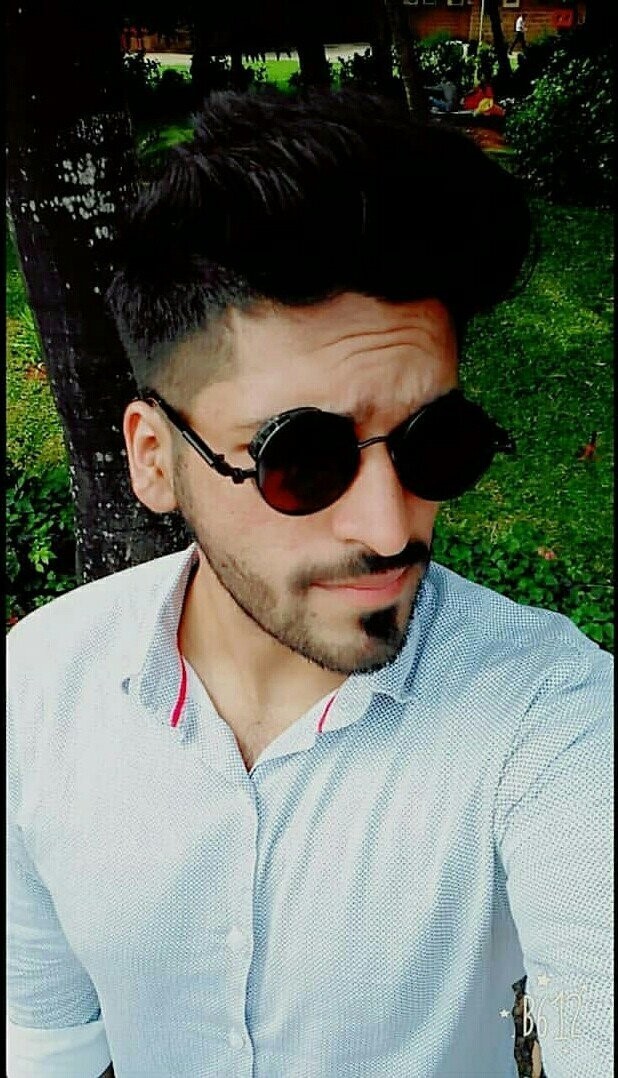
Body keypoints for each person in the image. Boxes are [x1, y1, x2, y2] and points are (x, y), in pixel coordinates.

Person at [7, 90, 612, 1078]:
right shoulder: (39, 690)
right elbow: (43, 1044)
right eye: (303, 460)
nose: (390, 526)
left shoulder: (551, 715)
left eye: (435, 444)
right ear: (154, 458)